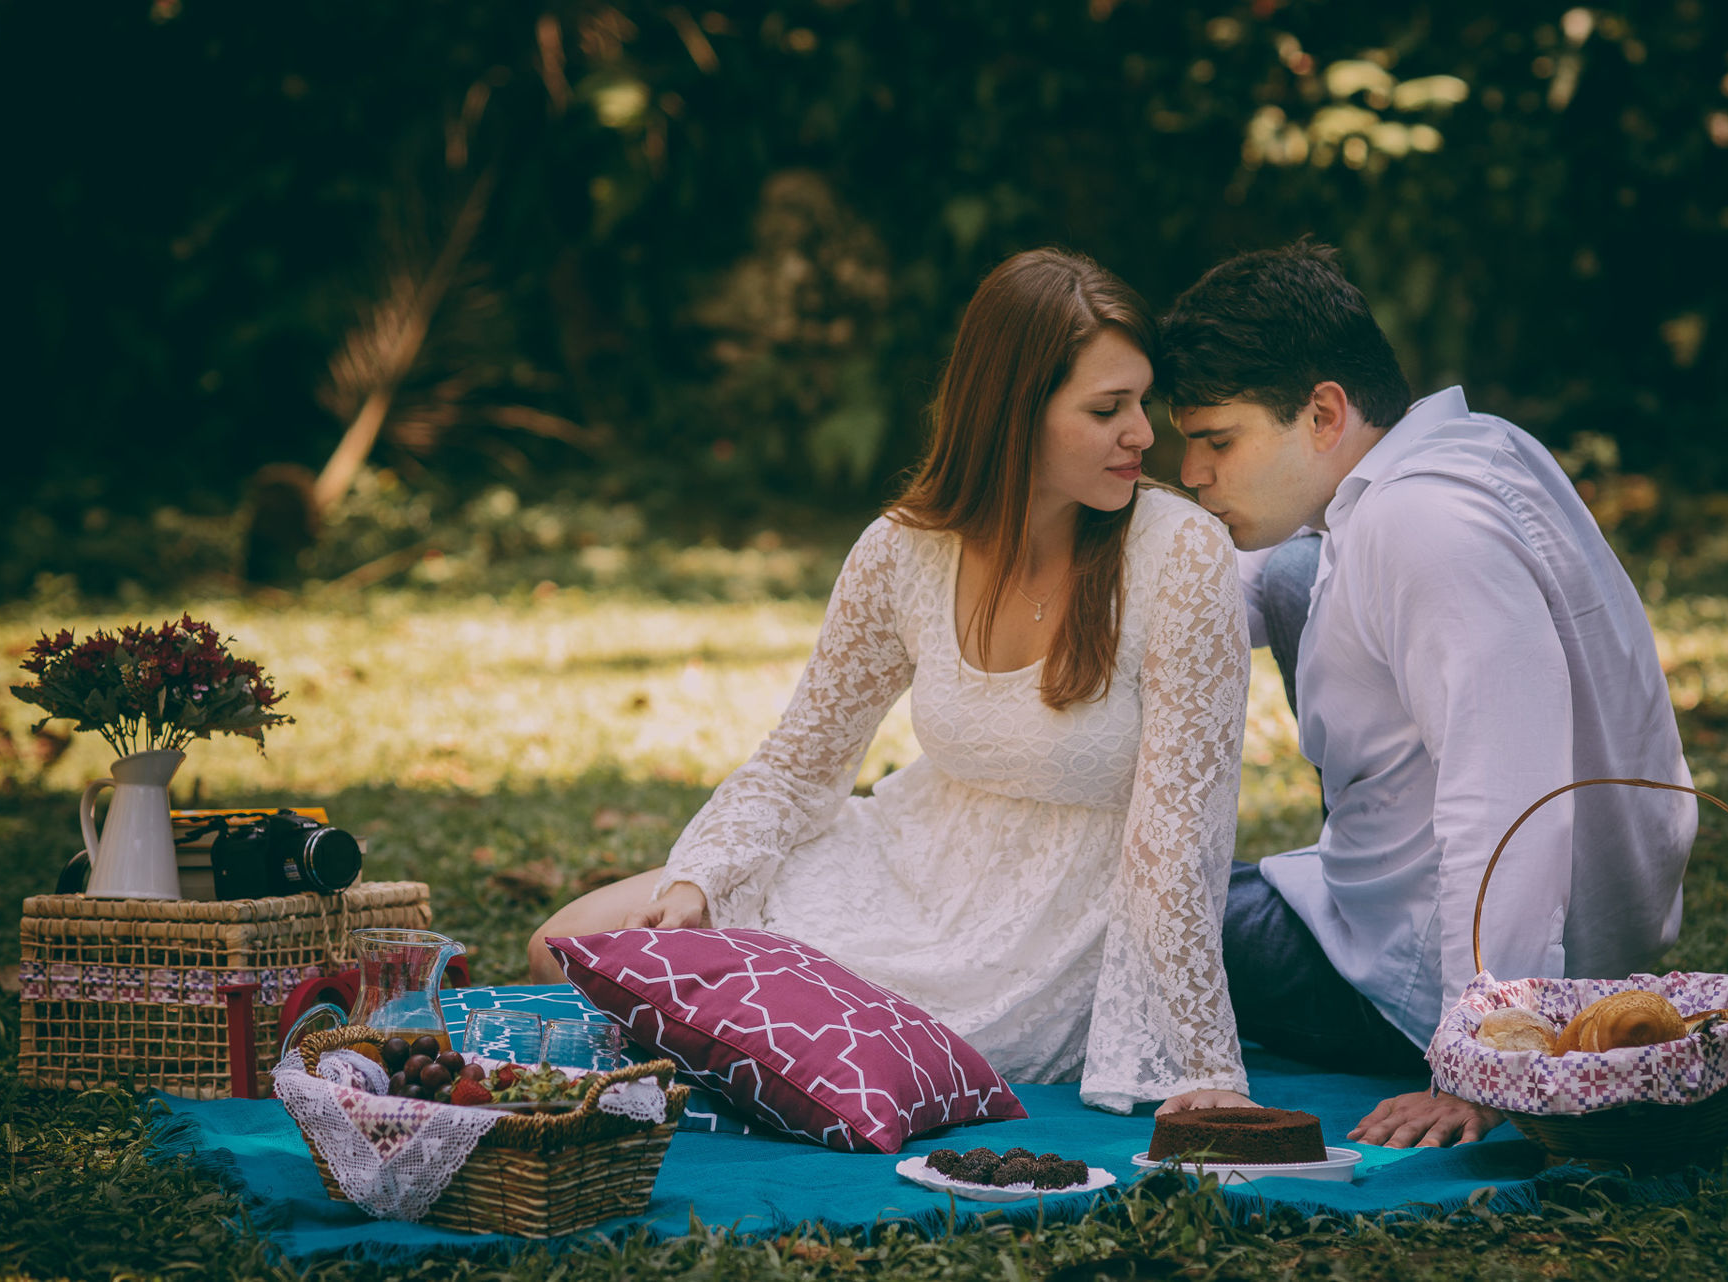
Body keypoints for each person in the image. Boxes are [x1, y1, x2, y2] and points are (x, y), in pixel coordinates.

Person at [530, 248, 1254, 1113]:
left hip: (1029, 950)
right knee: (561, 946)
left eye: (1141, 402)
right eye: (1108, 409)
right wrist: (703, 880)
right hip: (894, 867)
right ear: (1014, 411)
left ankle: (743, 1056)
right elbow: (800, 762)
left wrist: (1209, 1070)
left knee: (810, 1047)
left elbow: (1183, 843)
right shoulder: (904, 551)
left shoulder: (1179, 556)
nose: (1143, 433)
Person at [1155, 241, 1697, 1144]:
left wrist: (1481, 1062)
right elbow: (1255, 586)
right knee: (1292, 570)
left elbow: (1510, 798)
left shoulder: (1421, 528)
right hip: (1516, 924)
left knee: (1128, 916)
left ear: (1324, 411)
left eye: (1217, 441)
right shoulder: (1468, 452)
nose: (1194, 472)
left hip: (1438, 982)